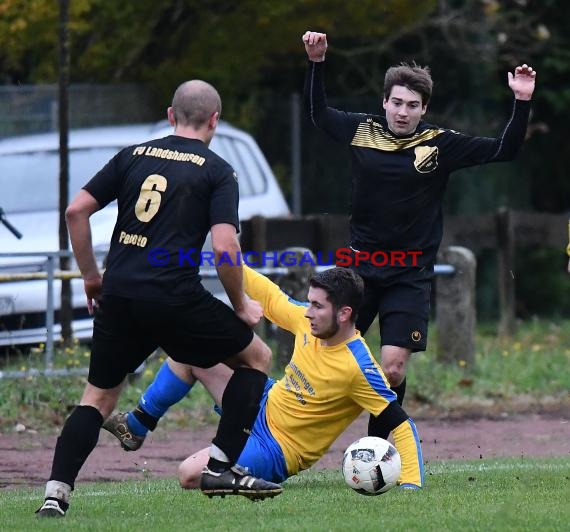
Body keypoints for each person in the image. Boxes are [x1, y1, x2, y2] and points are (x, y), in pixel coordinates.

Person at [35, 80, 282, 518]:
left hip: (121, 293)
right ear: (214, 121)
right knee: (257, 357)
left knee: (97, 399)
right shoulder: (218, 170)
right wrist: (241, 305)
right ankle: (222, 467)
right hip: (173, 296)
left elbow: (76, 211)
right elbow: (226, 249)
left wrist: (92, 278)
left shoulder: (133, 155)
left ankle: (55, 495)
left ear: (171, 115)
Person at [302, 30, 537, 407]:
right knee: (329, 360)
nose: (402, 112)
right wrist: (317, 62)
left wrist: (522, 101)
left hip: (410, 272)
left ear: (423, 109)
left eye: (412, 105)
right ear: (384, 102)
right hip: (360, 268)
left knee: (393, 369)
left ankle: (379, 449)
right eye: (396, 103)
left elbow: (505, 150)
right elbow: (318, 114)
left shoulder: (440, 144)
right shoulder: (361, 129)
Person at [103, 265, 424, 490]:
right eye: (309, 303)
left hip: (276, 449)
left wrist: (410, 483)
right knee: (191, 351)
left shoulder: (360, 368)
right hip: (262, 401)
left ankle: (237, 468)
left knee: (188, 474)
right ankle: (136, 426)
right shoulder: (308, 322)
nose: (308, 312)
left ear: (344, 314)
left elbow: (401, 423)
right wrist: (226, 257)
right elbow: (270, 297)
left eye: (317, 306)